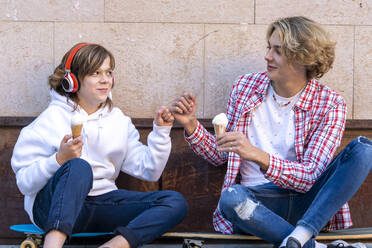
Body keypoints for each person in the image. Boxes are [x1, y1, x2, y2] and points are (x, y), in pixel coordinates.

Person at [170, 16, 372, 248]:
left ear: (302, 57)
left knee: (364, 150)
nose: (267, 56)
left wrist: (258, 155)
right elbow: (223, 154)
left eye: (278, 51)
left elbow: (309, 177)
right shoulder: (245, 87)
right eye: (269, 48)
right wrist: (191, 125)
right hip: (256, 206)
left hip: (308, 205)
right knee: (231, 197)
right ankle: (309, 245)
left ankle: (303, 235)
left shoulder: (330, 103)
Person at [11, 43, 187, 248]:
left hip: (100, 205)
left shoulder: (118, 120)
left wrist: (161, 131)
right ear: (72, 80)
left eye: (109, 72)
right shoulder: (48, 121)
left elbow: (150, 171)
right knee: (78, 166)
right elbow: (24, 183)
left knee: (174, 202)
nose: (105, 80)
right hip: (52, 210)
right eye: (95, 73)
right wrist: (59, 160)